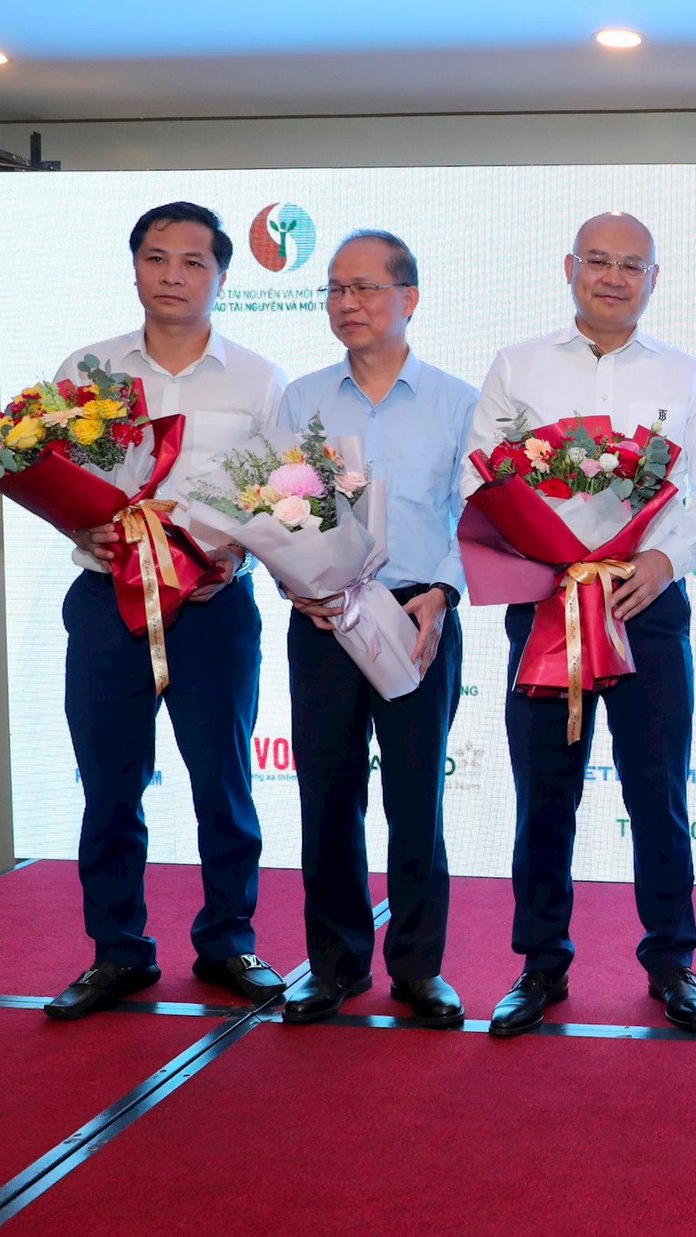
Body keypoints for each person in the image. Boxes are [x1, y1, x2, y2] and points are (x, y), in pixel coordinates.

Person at [465, 212, 696, 1037]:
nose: (613, 278)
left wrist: (660, 563)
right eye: (598, 262)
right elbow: (485, 480)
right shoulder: (518, 365)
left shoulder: (685, 377)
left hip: (645, 606)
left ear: (655, 280)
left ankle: (672, 961)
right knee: (544, 796)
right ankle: (539, 963)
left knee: (659, 793)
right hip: (546, 605)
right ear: (569, 267)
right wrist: (549, 556)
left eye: (632, 266)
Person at [45, 202, 288, 1020]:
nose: (173, 275)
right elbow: (48, 471)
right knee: (109, 783)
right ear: (136, 267)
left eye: (193, 262)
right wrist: (83, 526)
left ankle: (228, 940)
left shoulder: (257, 377)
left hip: (216, 607)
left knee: (223, 781)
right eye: (157, 258)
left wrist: (241, 549)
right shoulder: (89, 370)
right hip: (108, 603)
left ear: (221, 275)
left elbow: (286, 491)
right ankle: (117, 951)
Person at [273, 230, 478, 1028]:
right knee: (326, 795)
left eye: (363, 288)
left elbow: (480, 521)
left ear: (409, 298)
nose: (346, 304)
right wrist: (296, 582)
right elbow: (276, 508)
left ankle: (420, 968)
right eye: (334, 289)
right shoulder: (304, 399)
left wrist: (445, 595)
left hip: (417, 614)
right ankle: (334, 965)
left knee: (415, 799)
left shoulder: (458, 402)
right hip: (324, 616)